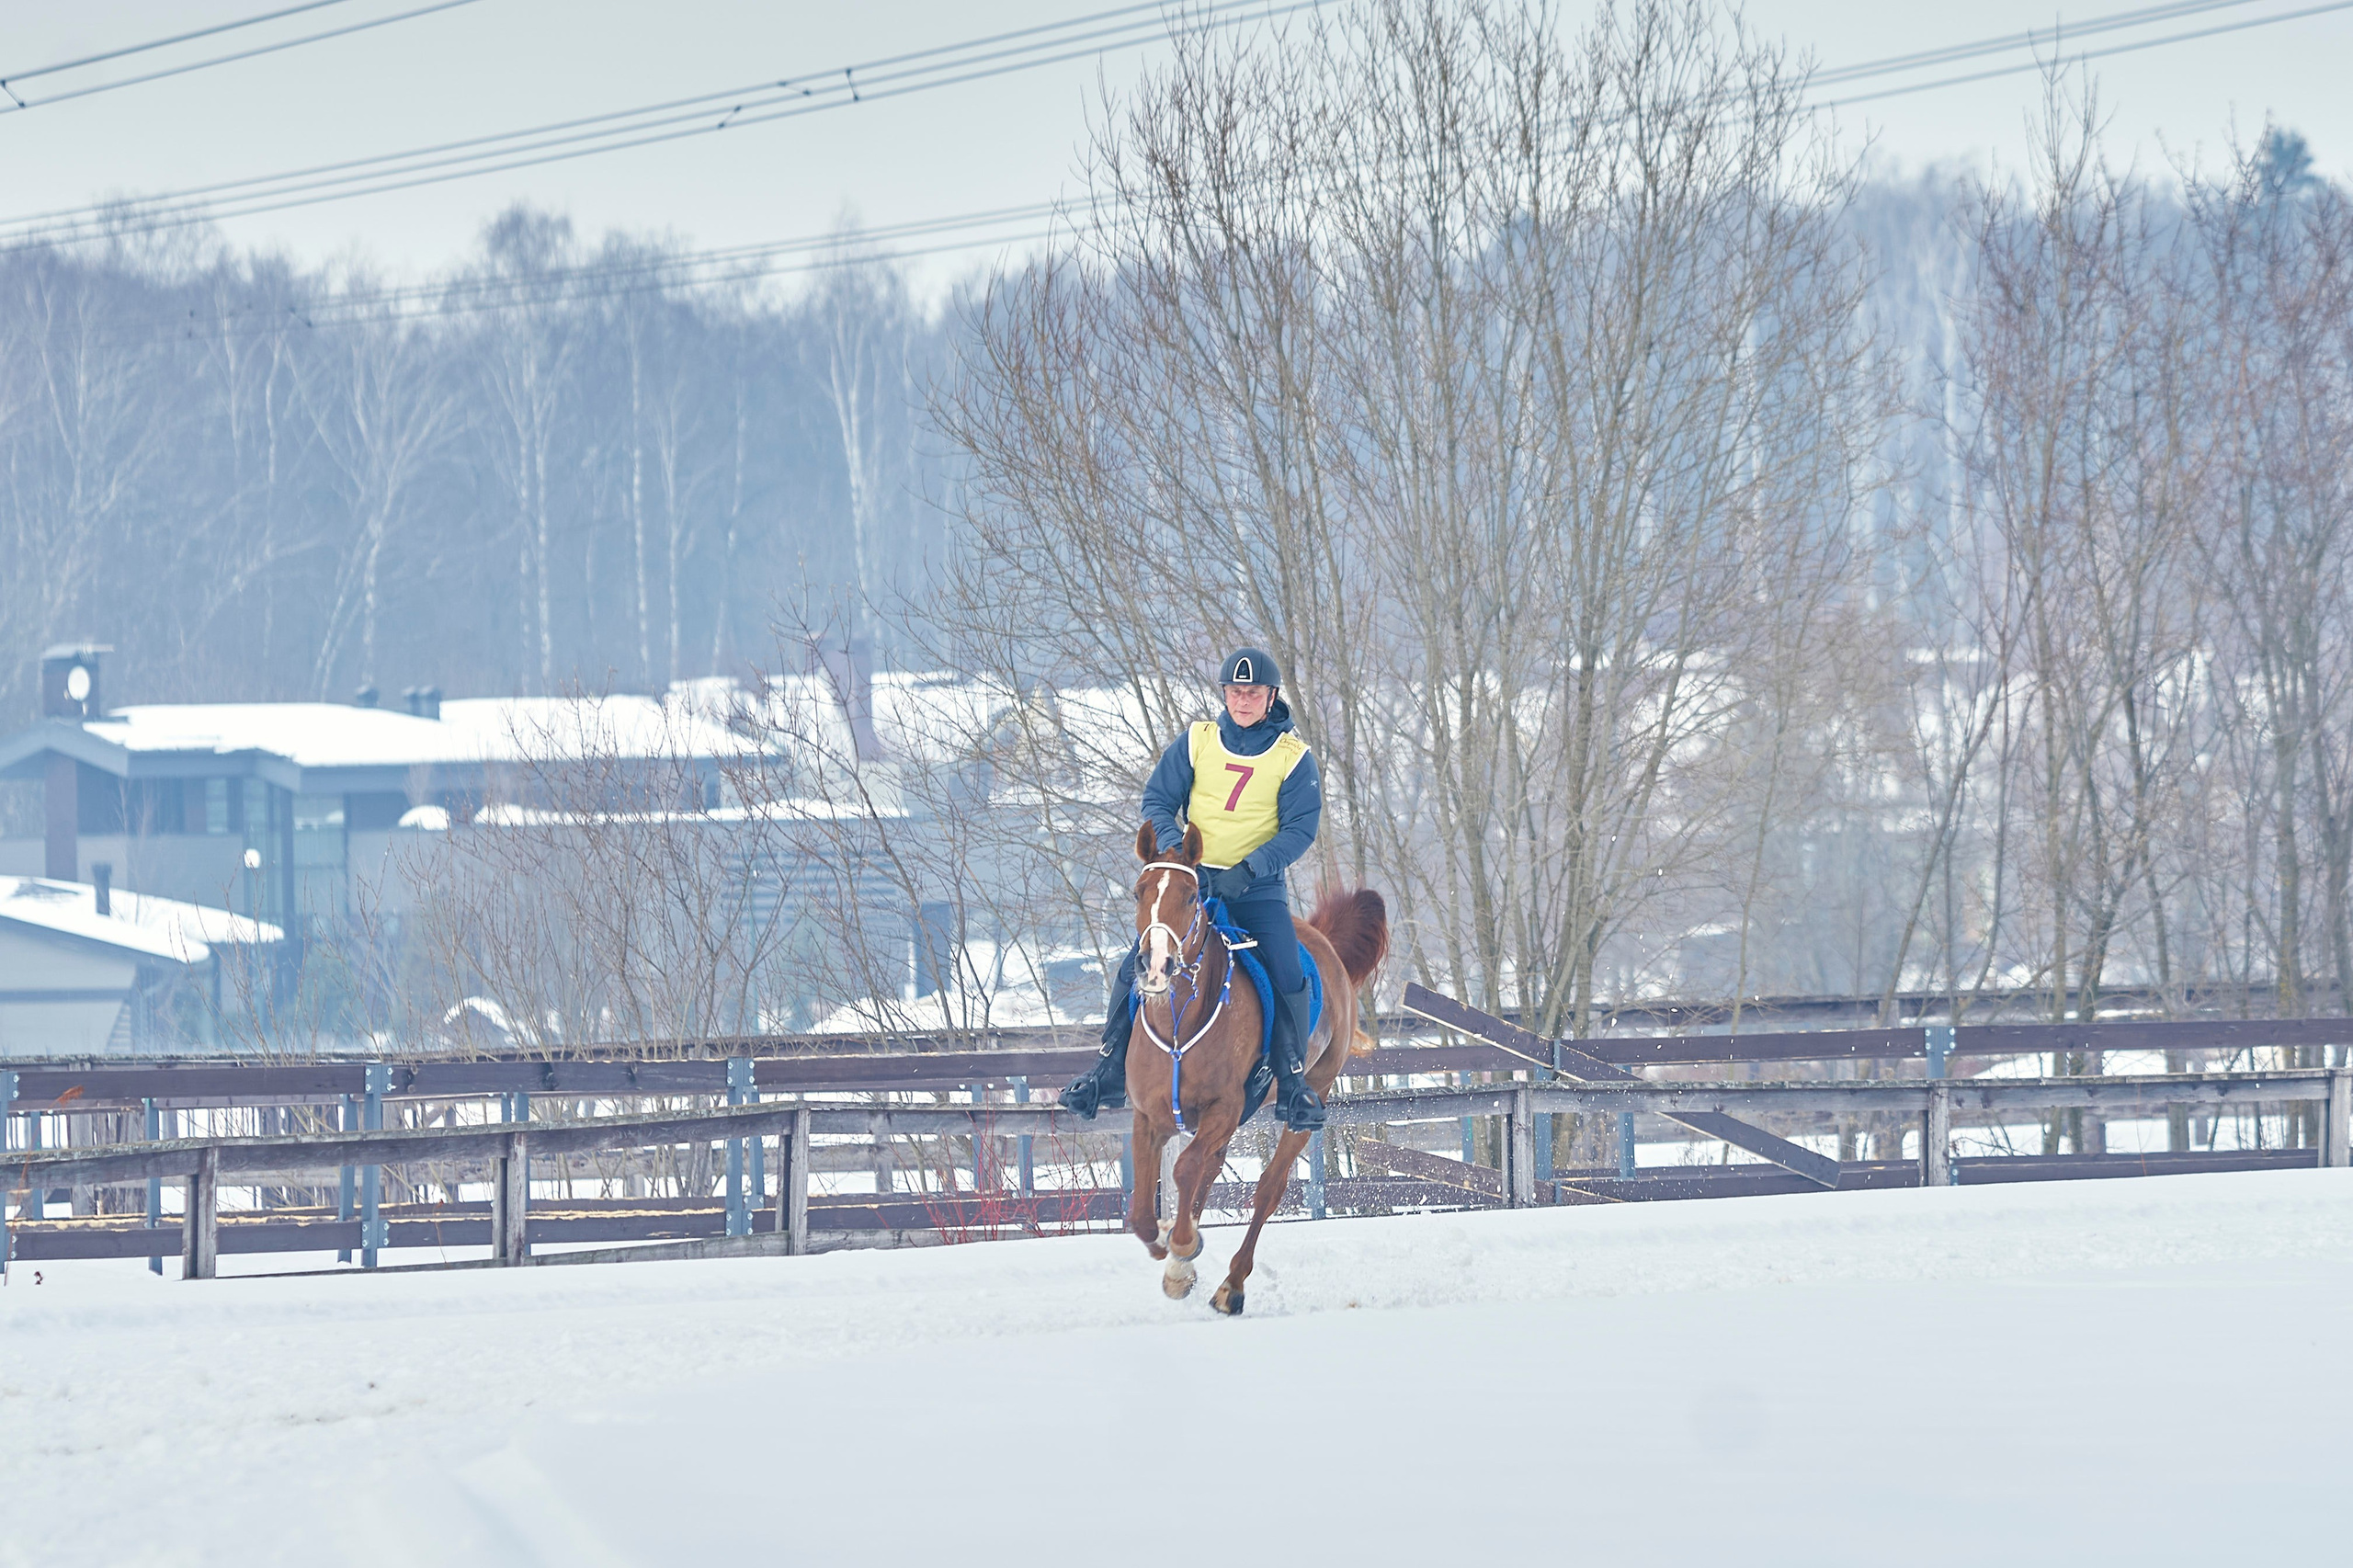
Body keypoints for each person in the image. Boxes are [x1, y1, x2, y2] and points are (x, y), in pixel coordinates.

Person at [1061, 647, 1327, 1131]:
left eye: (1252, 692)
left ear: (1271, 697)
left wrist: (1249, 869)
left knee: (1287, 970)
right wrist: (1175, 854)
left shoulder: (1294, 757)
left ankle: (1291, 1084)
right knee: (1137, 962)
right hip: (1193, 883)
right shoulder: (1198, 740)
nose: (1242, 701)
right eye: (1234, 691)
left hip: (1257, 889)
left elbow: (1300, 829)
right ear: (1224, 694)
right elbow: (1158, 799)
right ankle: (1106, 1072)